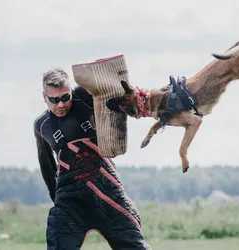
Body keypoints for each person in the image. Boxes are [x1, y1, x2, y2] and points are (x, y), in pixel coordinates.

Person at [33, 68, 151, 250]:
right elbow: (47, 167)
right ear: (44, 98)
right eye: (54, 100)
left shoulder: (83, 97)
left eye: (65, 97)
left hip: (107, 190)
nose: (61, 104)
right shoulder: (41, 125)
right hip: (71, 200)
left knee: (134, 246)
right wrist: (56, 200)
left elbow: (114, 88)